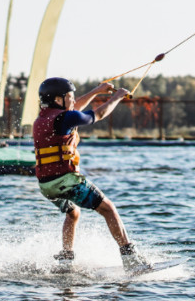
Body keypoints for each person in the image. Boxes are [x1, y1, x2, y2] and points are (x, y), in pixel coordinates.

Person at [32, 77, 147, 271]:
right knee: (108, 209)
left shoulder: (43, 119)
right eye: (69, 96)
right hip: (66, 181)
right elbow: (99, 114)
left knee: (73, 213)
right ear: (59, 100)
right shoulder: (66, 118)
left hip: (46, 185)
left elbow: (73, 107)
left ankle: (66, 259)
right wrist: (118, 96)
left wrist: (97, 91)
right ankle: (131, 259)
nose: (73, 100)